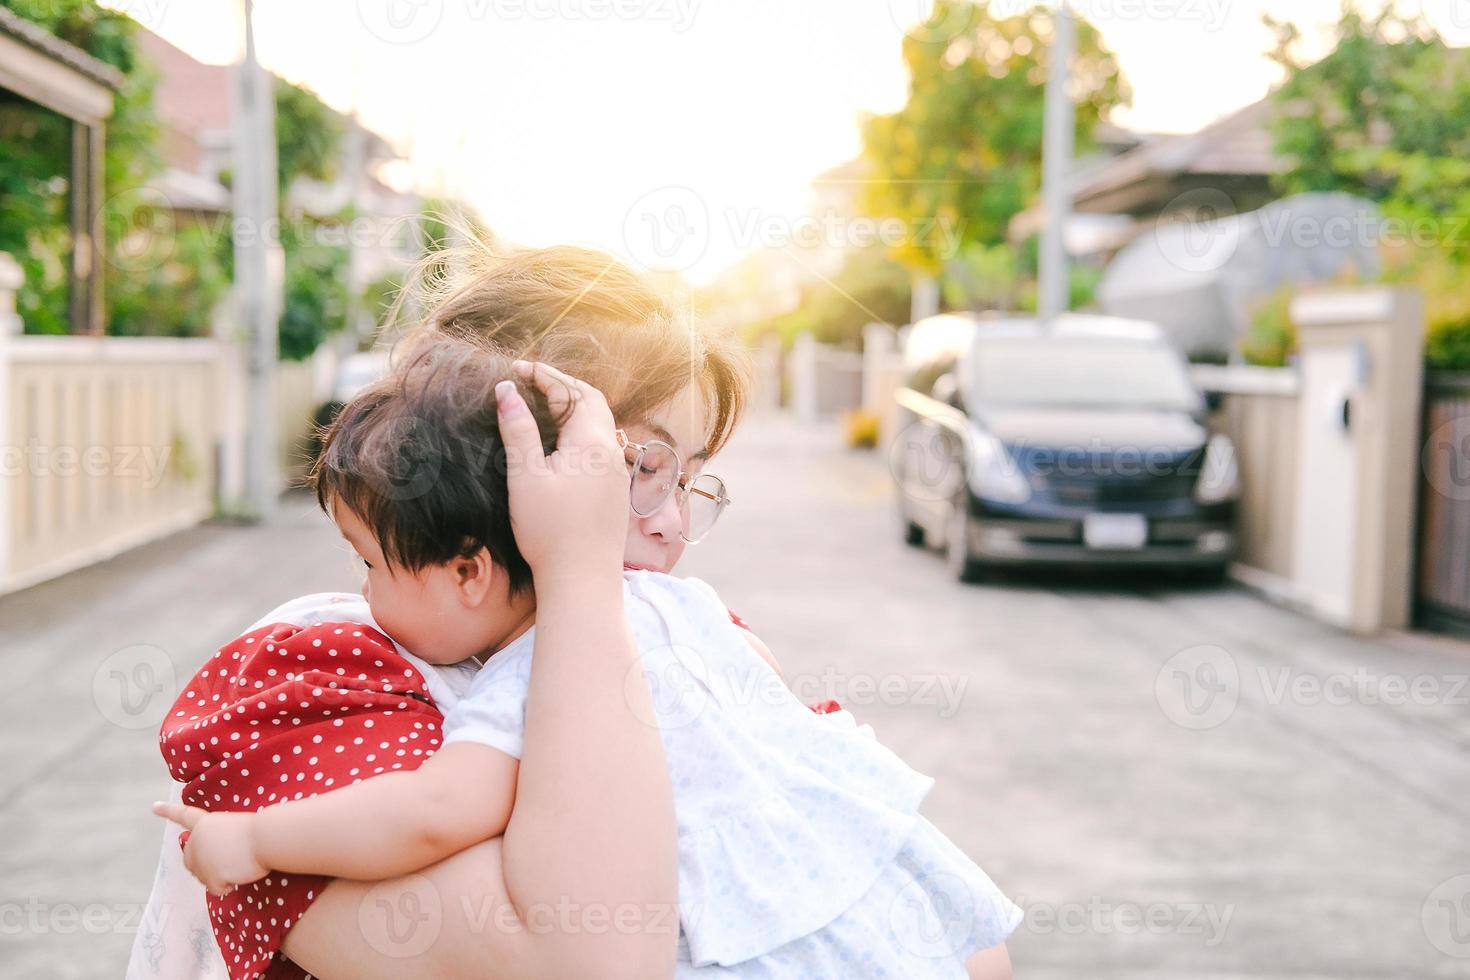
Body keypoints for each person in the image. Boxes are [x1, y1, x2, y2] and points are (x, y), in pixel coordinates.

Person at [157, 337, 1021, 977]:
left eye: (689, 479)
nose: (672, 520)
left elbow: (438, 808)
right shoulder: (310, 679)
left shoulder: (592, 639)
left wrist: (257, 842)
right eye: (633, 464)